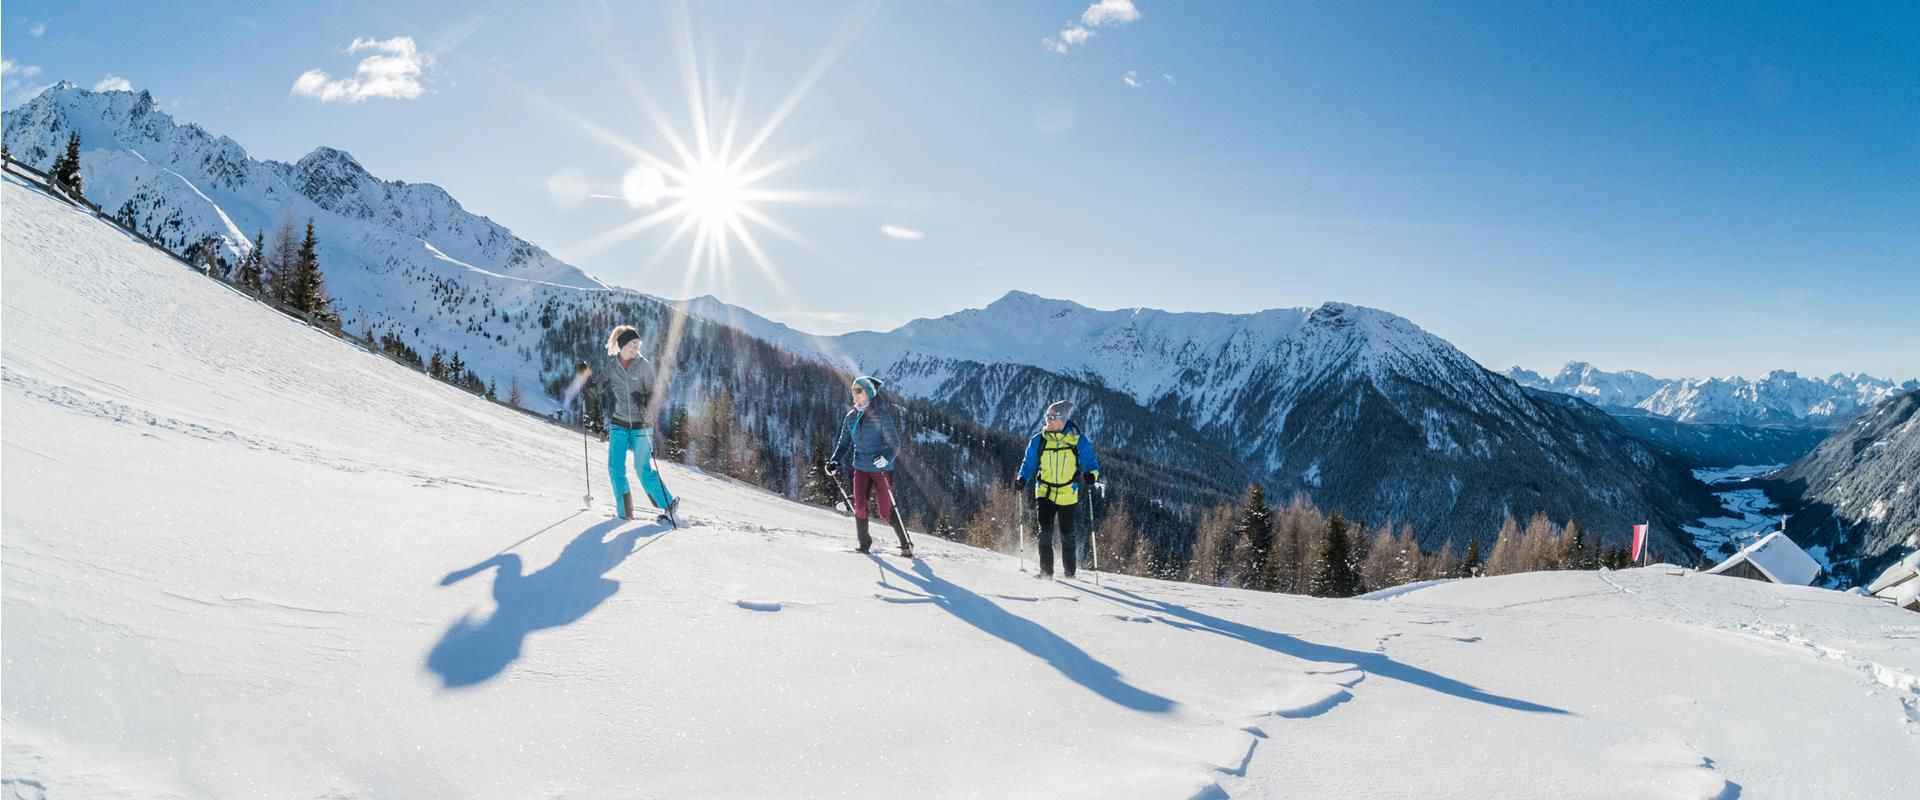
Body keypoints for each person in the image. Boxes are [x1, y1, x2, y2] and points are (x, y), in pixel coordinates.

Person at [589, 324, 679, 526]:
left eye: (637, 344)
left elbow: (657, 394)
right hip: (619, 424)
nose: (635, 348)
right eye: (632, 344)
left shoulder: (643, 365)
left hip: (642, 426)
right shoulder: (612, 368)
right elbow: (597, 390)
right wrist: (587, 385)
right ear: (621, 346)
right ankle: (625, 512)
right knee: (615, 468)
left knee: (642, 468)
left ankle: (669, 505)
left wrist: (645, 399)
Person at [826, 376, 913, 556]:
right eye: (853, 390)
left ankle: (906, 543)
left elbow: (895, 444)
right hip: (860, 468)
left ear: (869, 393)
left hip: (881, 469)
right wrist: (834, 461)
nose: (854, 394)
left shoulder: (882, 415)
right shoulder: (850, 418)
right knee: (859, 507)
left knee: (886, 511)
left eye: (859, 390)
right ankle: (864, 544)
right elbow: (844, 444)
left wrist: (886, 458)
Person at [1015, 400, 1100, 579]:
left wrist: (1091, 474)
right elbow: (1029, 463)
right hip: (1044, 492)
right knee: (1044, 533)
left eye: (1052, 417)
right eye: (1047, 416)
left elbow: (1090, 461)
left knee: (1067, 534)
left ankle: (1070, 573)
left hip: (1067, 493)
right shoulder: (1039, 440)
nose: (1048, 420)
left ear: (1062, 419)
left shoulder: (1077, 440)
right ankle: (1046, 572)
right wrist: (1022, 478)